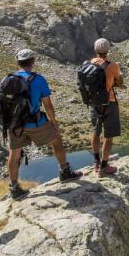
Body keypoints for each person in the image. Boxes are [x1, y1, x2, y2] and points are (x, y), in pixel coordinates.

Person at [7, 49, 82, 200]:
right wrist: (54, 123)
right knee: (56, 140)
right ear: (32, 62)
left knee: (14, 153)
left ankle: (14, 188)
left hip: (14, 124)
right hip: (34, 123)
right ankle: (65, 172)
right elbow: (47, 105)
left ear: (18, 62)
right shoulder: (38, 79)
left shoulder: (9, 78)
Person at [88, 38, 122, 176]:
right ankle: (104, 166)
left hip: (94, 104)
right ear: (107, 50)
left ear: (95, 50)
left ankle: (96, 161)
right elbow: (119, 83)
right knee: (109, 135)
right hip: (109, 103)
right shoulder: (113, 66)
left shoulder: (88, 64)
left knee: (96, 132)